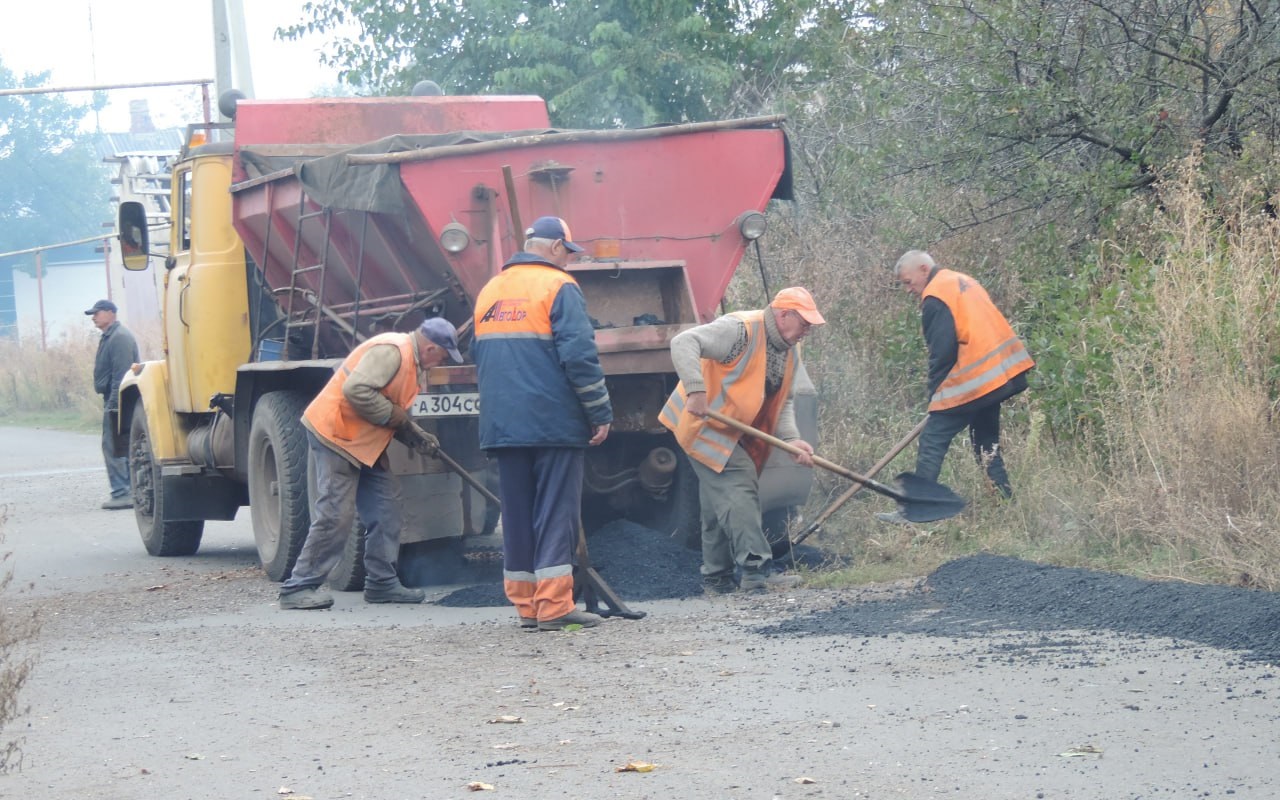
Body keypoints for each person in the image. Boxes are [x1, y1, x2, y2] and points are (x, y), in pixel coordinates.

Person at [473, 216, 613, 632]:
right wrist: (599, 412)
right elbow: (580, 357)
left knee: (516, 513)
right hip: (552, 423)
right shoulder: (559, 287)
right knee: (555, 511)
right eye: (568, 253)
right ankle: (555, 607)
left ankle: (527, 606)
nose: (568, 262)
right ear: (555, 248)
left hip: (502, 424)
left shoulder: (490, 290)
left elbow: (478, 354)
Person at [278, 317, 462, 610]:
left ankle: (381, 583)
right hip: (336, 433)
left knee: (386, 508)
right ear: (430, 347)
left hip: (366, 442)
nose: (442, 361)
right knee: (336, 512)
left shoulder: (412, 362)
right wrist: (399, 419)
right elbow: (357, 390)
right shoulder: (393, 351)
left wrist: (416, 437)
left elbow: (389, 406)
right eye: (443, 355)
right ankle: (299, 586)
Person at [659, 287, 824, 594]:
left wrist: (791, 440)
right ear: (784, 315)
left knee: (716, 503)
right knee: (739, 482)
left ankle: (717, 578)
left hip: (731, 429)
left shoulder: (788, 348)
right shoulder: (740, 330)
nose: (808, 331)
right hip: (703, 423)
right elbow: (684, 342)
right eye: (805, 323)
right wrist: (695, 390)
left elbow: (782, 400)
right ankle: (756, 572)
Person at [880, 250, 1034, 522]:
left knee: (932, 439)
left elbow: (942, 352)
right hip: (997, 375)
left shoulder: (936, 296)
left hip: (975, 380)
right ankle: (1006, 503)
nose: (908, 289)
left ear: (924, 269)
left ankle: (918, 509)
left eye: (907, 281)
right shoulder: (960, 280)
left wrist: (936, 399)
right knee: (985, 441)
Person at [86, 299, 140, 510]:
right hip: (115, 398)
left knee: (114, 446)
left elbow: (121, 374)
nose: (94, 317)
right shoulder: (110, 336)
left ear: (110, 313)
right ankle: (125, 490)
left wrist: (115, 405)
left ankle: (122, 492)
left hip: (118, 399)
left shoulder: (119, 338)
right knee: (117, 446)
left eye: (97, 313)